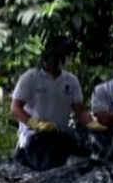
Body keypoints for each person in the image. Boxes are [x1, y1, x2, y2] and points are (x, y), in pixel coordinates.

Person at [9, 40, 106, 171]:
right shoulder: (31, 77)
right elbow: (15, 109)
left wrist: (93, 124)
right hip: (32, 140)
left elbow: (80, 111)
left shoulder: (70, 81)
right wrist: (35, 123)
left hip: (58, 139)